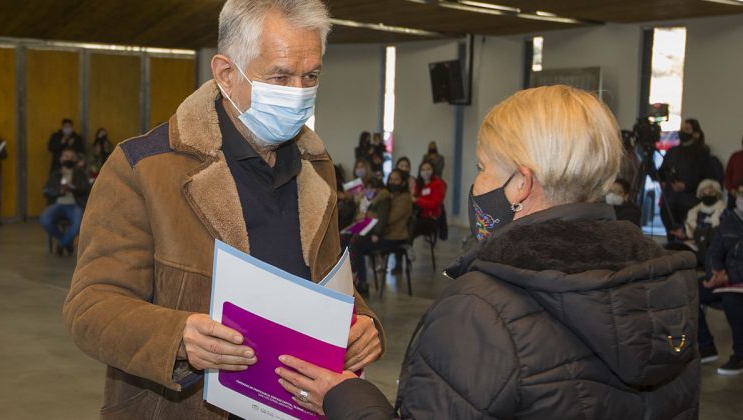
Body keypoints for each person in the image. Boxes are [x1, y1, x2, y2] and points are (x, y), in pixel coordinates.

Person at [273, 85, 700, 419]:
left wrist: (346, 397)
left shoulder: (480, 309)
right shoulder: (663, 284)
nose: (476, 184)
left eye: (482, 168)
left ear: (520, 184)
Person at [63, 1, 383, 419]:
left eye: (311, 76)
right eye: (280, 76)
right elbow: (90, 306)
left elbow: (328, 283)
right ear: (227, 74)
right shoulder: (143, 167)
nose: (300, 91)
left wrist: (363, 323)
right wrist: (177, 336)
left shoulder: (317, 168)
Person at [698, 179, 743, 375]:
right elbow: (714, 251)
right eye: (740, 194)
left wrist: (729, 276)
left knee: (732, 300)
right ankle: (705, 346)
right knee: (689, 290)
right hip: (726, 280)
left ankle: (740, 355)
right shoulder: (730, 219)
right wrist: (715, 273)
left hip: (735, 282)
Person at [352, 170, 412, 294]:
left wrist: (369, 214)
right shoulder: (388, 195)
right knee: (353, 241)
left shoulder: (405, 199)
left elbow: (388, 219)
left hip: (395, 237)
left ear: (403, 182)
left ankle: (362, 284)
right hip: (384, 234)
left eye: (396, 179)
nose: (393, 182)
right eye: (391, 179)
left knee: (358, 245)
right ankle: (358, 282)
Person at [658, 118, 716, 242]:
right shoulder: (672, 152)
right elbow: (662, 171)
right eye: (682, 128)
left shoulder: (702, 154)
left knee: (686, 239)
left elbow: (706, 180)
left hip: (689, 204)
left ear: (695, 134)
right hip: (670, 202)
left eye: (687, 129)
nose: (682, 131)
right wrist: (663, 180)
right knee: (671, 237)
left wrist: (686, 186)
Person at [40, 148, 90, 256]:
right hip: (58, 204)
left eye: (72, 157)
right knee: (45, 220)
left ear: (76, 159)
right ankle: (66, 242)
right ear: (61, 159)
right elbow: (46, 190)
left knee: (78, 224)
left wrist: (72, 188)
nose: (69, 159)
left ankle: (62, 244)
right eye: (66, 156)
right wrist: (59, 191)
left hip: (75, 205)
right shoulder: (55, 174)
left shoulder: (80, 173)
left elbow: (86, 189)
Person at [412, 160, 446, 239]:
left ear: (433, 170)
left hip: (430, 219)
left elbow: (435, 204)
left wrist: (418, 201)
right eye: (423, 169)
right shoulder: (419, 184)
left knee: (412, 226)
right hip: (418, 215)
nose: (425, 172)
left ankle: (407, 246)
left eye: (428, 169)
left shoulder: (438, 184)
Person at [725, 136, 743, 209]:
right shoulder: (735, 156)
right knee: (732, 218)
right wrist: (731, 189)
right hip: (734, 195)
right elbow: (727, 175)